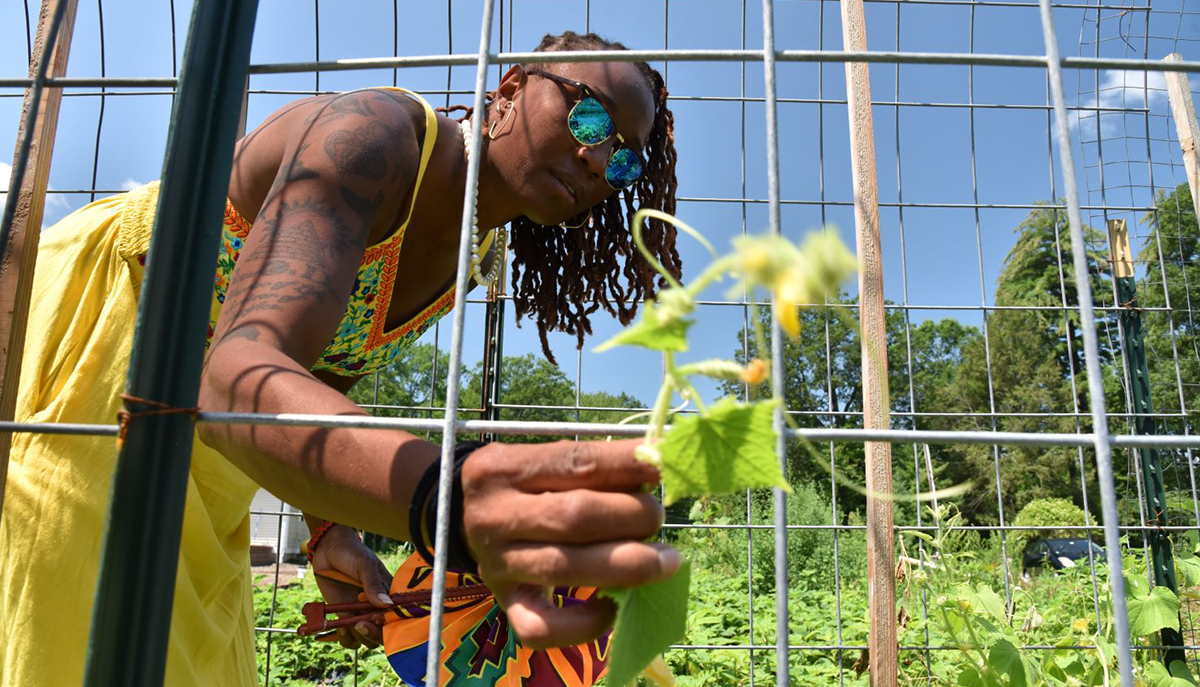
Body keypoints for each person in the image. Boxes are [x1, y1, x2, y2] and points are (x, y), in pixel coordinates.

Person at [0, 31, 683, 686]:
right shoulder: (376, 139)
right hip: (111, 354)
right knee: (82, 644)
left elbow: (323, 362)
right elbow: (236, 374)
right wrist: (450, 499)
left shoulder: (478, 254)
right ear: (508, 89)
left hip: (218, 450)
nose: (600, 161)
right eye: (590, 117)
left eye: (625, 158)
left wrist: (327, 526)